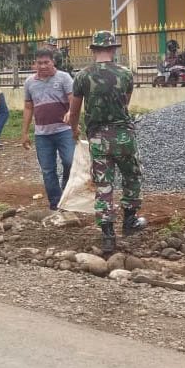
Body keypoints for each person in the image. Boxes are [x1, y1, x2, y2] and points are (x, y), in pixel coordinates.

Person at [67, 31, 146, 254]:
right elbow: (126, 103)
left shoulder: (82, 76)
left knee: (104, 185)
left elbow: (74, 111)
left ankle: (108, 235)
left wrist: (74, 129)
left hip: (98, 138)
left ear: (93, 50)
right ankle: (130, 220)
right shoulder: (126, 74)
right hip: (124, 135)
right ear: (113, 49)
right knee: (132, 175)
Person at [22, 49, 76, 211]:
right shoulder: (29, 82)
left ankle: (66, 192)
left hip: (64, 131)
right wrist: (24, 133)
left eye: (47, 62)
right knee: (47, 170)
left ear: (53, 62)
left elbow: (74, 100)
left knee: (70, 162)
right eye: (39, 63)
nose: (43, 66)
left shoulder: (64, 78)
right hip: (42, 135)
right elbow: (28, 106)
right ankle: (55, 203)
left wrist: (71, 115)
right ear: (35, 64)